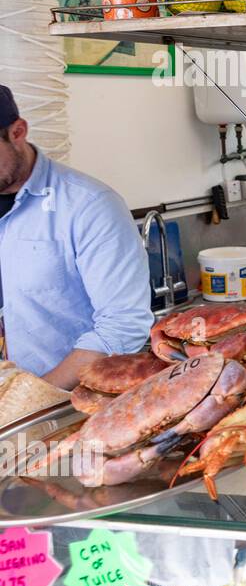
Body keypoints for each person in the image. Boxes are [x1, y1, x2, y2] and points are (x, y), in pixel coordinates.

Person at [0, 85, 152, 389]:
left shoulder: (90, 206)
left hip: (72, 406)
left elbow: (122, 326)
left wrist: (34, 401)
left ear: (18, 132)